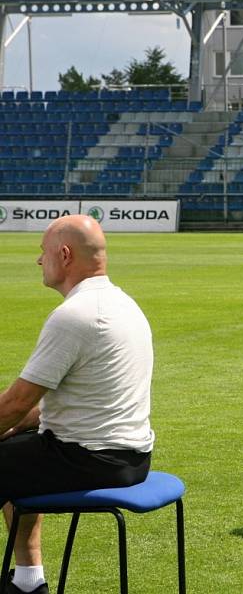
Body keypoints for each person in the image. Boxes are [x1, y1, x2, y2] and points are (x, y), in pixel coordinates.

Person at [0, 215, 154, 594]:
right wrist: (17, 425)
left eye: (43, 252)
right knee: (13, 452)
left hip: (90, 458)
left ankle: (27, 581)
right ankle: (26, 581)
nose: (39, 261)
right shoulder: (122, 303)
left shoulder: (74, 315)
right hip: (129, 456)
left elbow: (16, 403)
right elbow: (76, 403)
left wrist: (14, 422)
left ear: (64, 255)